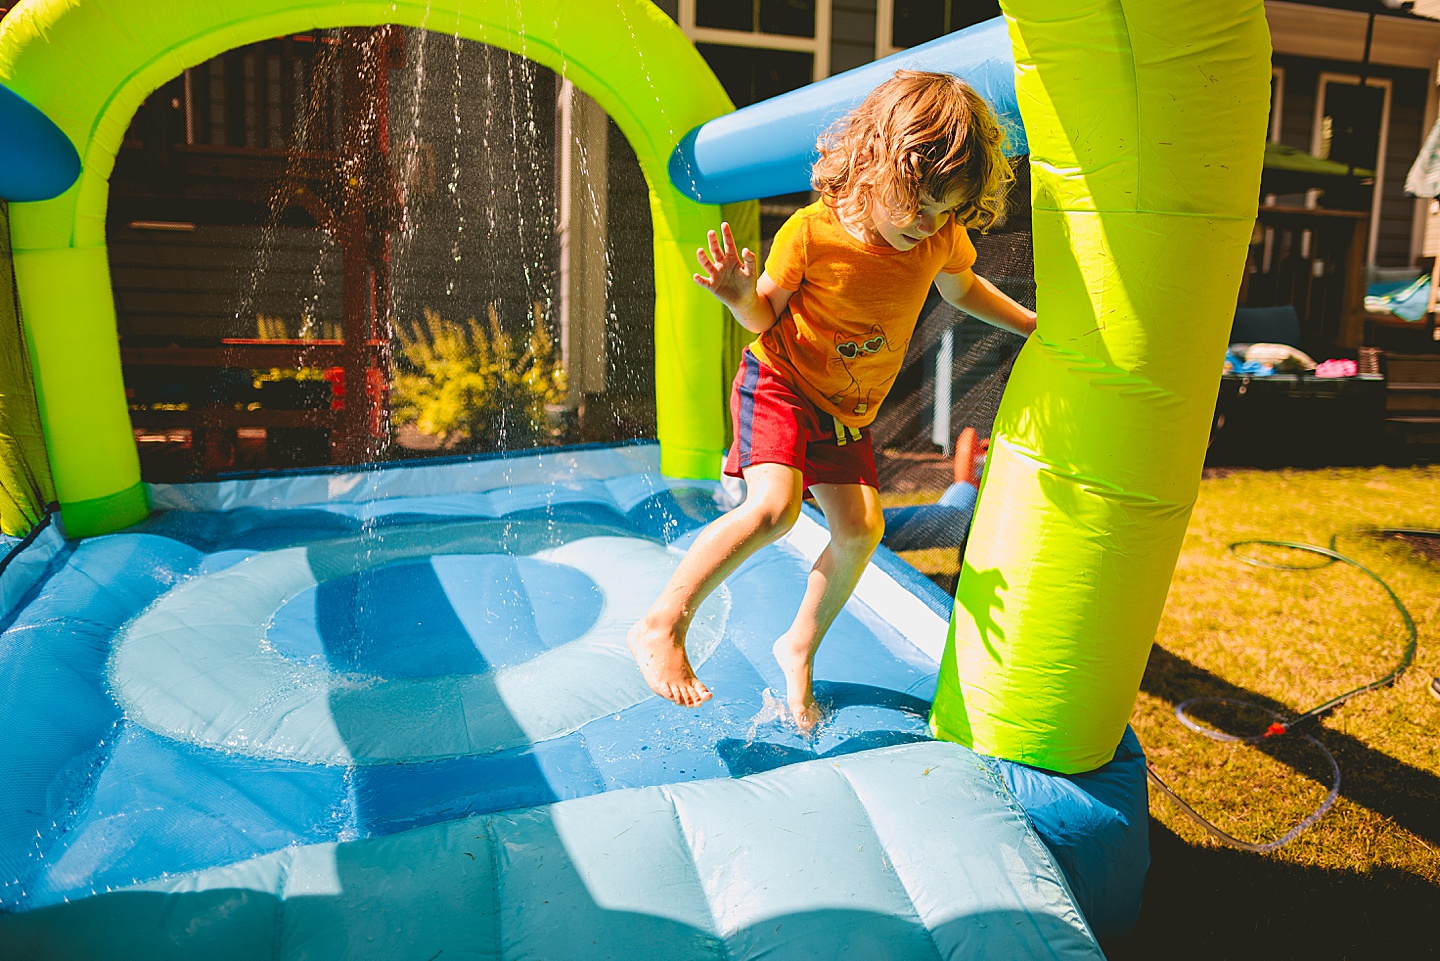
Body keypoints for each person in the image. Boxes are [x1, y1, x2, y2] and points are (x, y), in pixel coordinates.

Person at [628, 70, 1036, 730]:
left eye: (945, 211)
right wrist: (737, 293)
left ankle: (798, 646)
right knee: (774, 508)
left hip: (845, 416)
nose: (929, 225)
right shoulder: (812, 234)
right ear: (875, 163)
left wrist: (1028, 323)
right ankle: (662, 622)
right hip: (782, 384)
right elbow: (763, 316)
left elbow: (961, 288)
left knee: (862, 530)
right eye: (918, 205)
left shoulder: (936, 239)